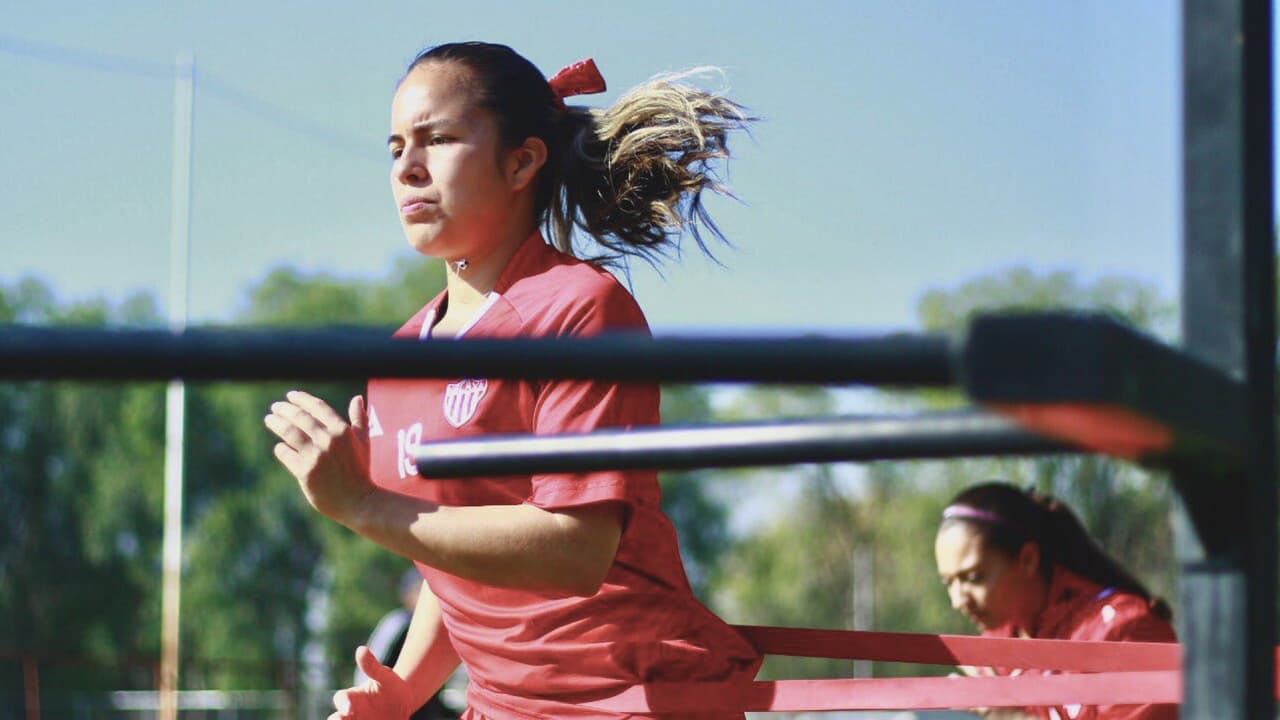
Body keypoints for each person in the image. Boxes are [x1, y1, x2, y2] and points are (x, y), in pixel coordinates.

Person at [263, 42, 760, 719]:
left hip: (631, 700)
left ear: (522, 160)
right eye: (394, 147)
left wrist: (365, 506)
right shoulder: (404, 354)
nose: (407, 168)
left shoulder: (582, 308)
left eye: (438, 140)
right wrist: (408, 686)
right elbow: (452, 547)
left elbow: (577, 548)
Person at [933, 482, 1177, 720]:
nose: (958, 600)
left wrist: (1009, 716)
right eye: (948, 582)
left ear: (1028, 560)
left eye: (974, 578)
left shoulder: (1125, 633)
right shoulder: (993, 654)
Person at [356, 568, 460, 719]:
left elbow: (430, 693)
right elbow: (370, 676)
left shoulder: (445, 628)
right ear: (407, 595)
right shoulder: (397, 624)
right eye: (420, 590)